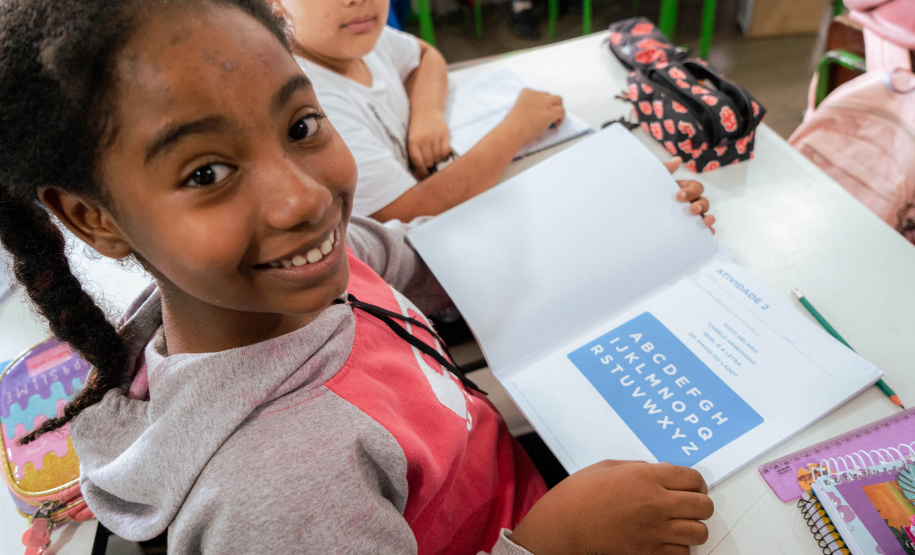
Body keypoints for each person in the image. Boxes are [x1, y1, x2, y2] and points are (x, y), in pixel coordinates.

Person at [0, 0, 715, 553]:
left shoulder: (297, 281)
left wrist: (622, 216)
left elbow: (423, 255)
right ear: (95, 220)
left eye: (301, 126)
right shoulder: (281, 495)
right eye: (206, 173)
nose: (304, 199)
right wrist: (548, 543)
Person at [275, 0, 567, 222]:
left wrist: (427, 115)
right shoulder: (314, 103)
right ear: (273, 5)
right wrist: (518, 126)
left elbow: (425, 56)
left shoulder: (356, 40)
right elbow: (411, 212)